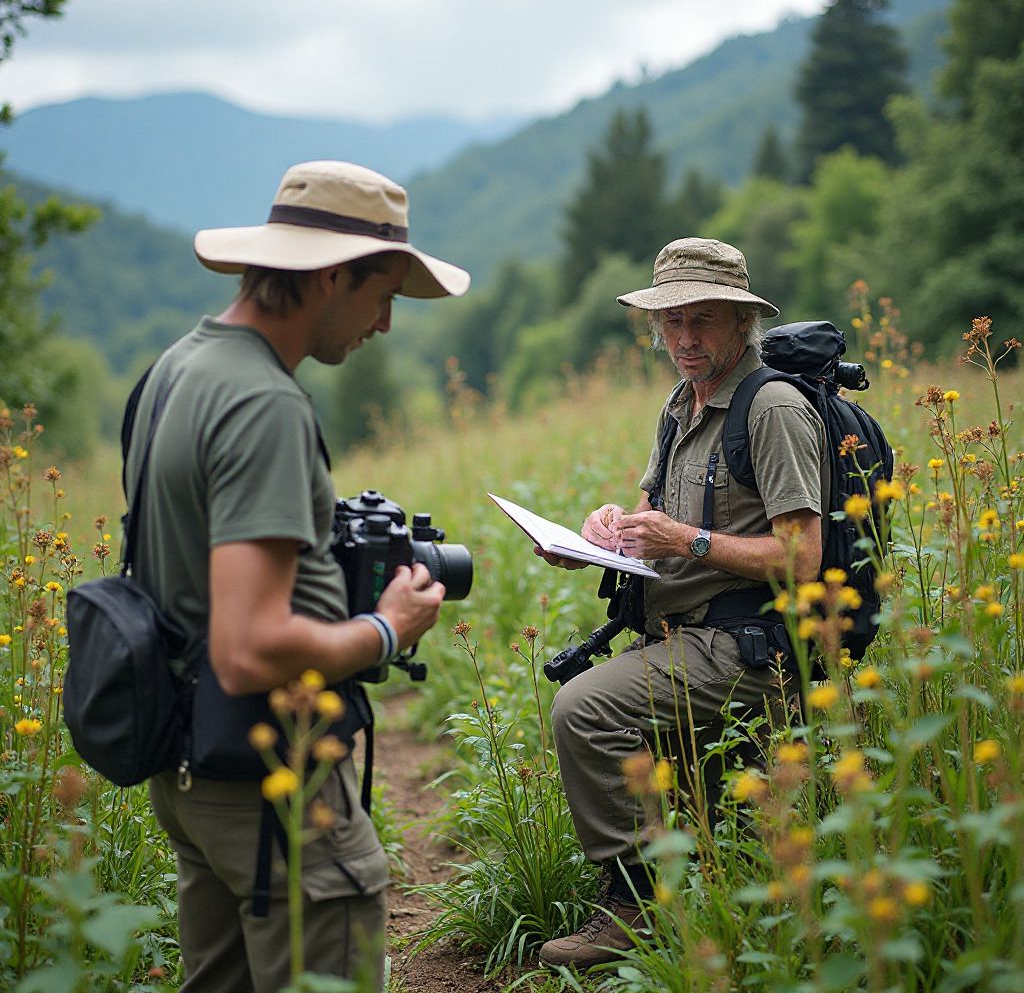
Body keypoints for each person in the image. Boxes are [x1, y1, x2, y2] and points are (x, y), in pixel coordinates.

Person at [125, 161, 470, 992]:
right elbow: (248, 648)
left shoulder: (177, 370)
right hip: (271, 787)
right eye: (382, 293)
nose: (385, 324)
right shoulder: (264, 405)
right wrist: (388, 627)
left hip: (189, 769)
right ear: (330, 276)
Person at [535, 237, 827, 969]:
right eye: (672, 322)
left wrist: (687, 541)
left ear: (739, 322)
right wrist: (602, 533)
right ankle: (679, 871)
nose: (686, 339)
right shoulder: (681, 406)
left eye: (703, 320)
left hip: (751, 647)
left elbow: (802, 557)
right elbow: (648, 518)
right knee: (594, 699)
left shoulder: (773, 409)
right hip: (678, 634)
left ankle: (637, 909)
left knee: (585, 710)